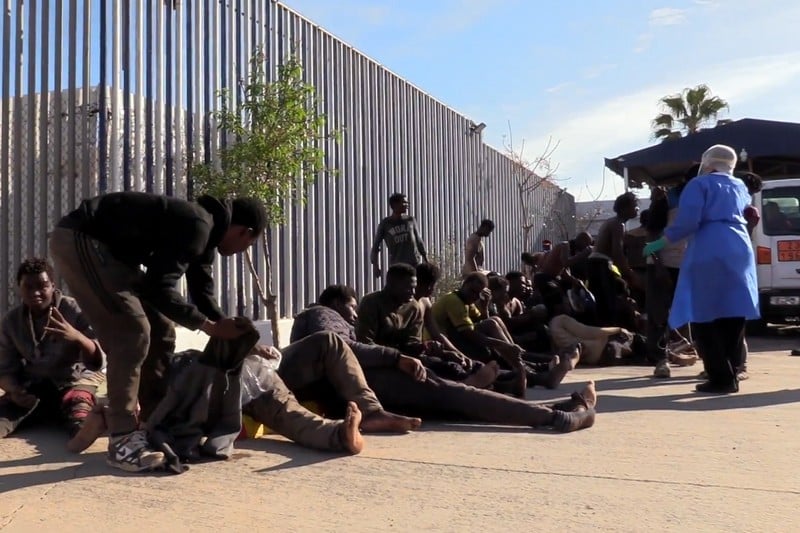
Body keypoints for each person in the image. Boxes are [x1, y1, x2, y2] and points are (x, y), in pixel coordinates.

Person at [49, 191, 266, 472]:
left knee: (162, 330)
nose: (244, 250)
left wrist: (236, 335)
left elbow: (202, 293)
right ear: (245, 231)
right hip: (82, 238)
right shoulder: (198, 224)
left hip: (114, 255)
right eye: (249, 243)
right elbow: (159, 288)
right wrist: (210, 327)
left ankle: (151, 422)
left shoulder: (207, 234)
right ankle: (122, 439)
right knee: (132, 331)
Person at [293, 285, 599, 434]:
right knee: (455, 395)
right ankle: (557, 417)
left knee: (457, 402)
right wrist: (396, 358)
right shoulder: (323, 313)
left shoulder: (322, 322)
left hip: (358, 386)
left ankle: (557, 409)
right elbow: (342, 347)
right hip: (365, 383)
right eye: (351, 306)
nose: (354, 313)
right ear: (335, 303)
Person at [643, 144, 759, 394]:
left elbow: (687, 223)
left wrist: (659, 243)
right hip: (740, 248)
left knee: (703, 314)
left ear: (707, 162)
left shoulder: (699, 185)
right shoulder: (739, 186)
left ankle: (720, 378)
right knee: (733, 313)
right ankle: (733, 373)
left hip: (710, 248)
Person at [0, 258, 106, 449]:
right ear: (19, 288)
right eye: (28, 287)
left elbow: (100, 358)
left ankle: (82, 433)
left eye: (42, 286)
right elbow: (5, 368)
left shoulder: (74, 310)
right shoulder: (12, 321)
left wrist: (77, 337)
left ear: (53, 286)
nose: (36, 293)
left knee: (78, 404)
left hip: (72, 380)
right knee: (8, 409)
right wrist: (14, 390)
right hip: (35, 385)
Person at [587, 192, 641, 326]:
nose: (637, 209)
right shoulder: (618, 224)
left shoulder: (612, 222)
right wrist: (630, 274)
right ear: (624, 208)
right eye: (634, 205)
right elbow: (617, 253)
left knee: (601, 306)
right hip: (601, 265)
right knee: (609, 306)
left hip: (595, 264)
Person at [370, 193, 428, 279]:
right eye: (404, 202)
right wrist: (375, 266)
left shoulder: (410, 220)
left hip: (414, 263)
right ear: (395, 204)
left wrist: (426, 260)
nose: (407, 205)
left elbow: (419, 241)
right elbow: (375, 246)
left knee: (414, 283)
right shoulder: (386, 224)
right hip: (397, 265)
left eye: (407, 202)